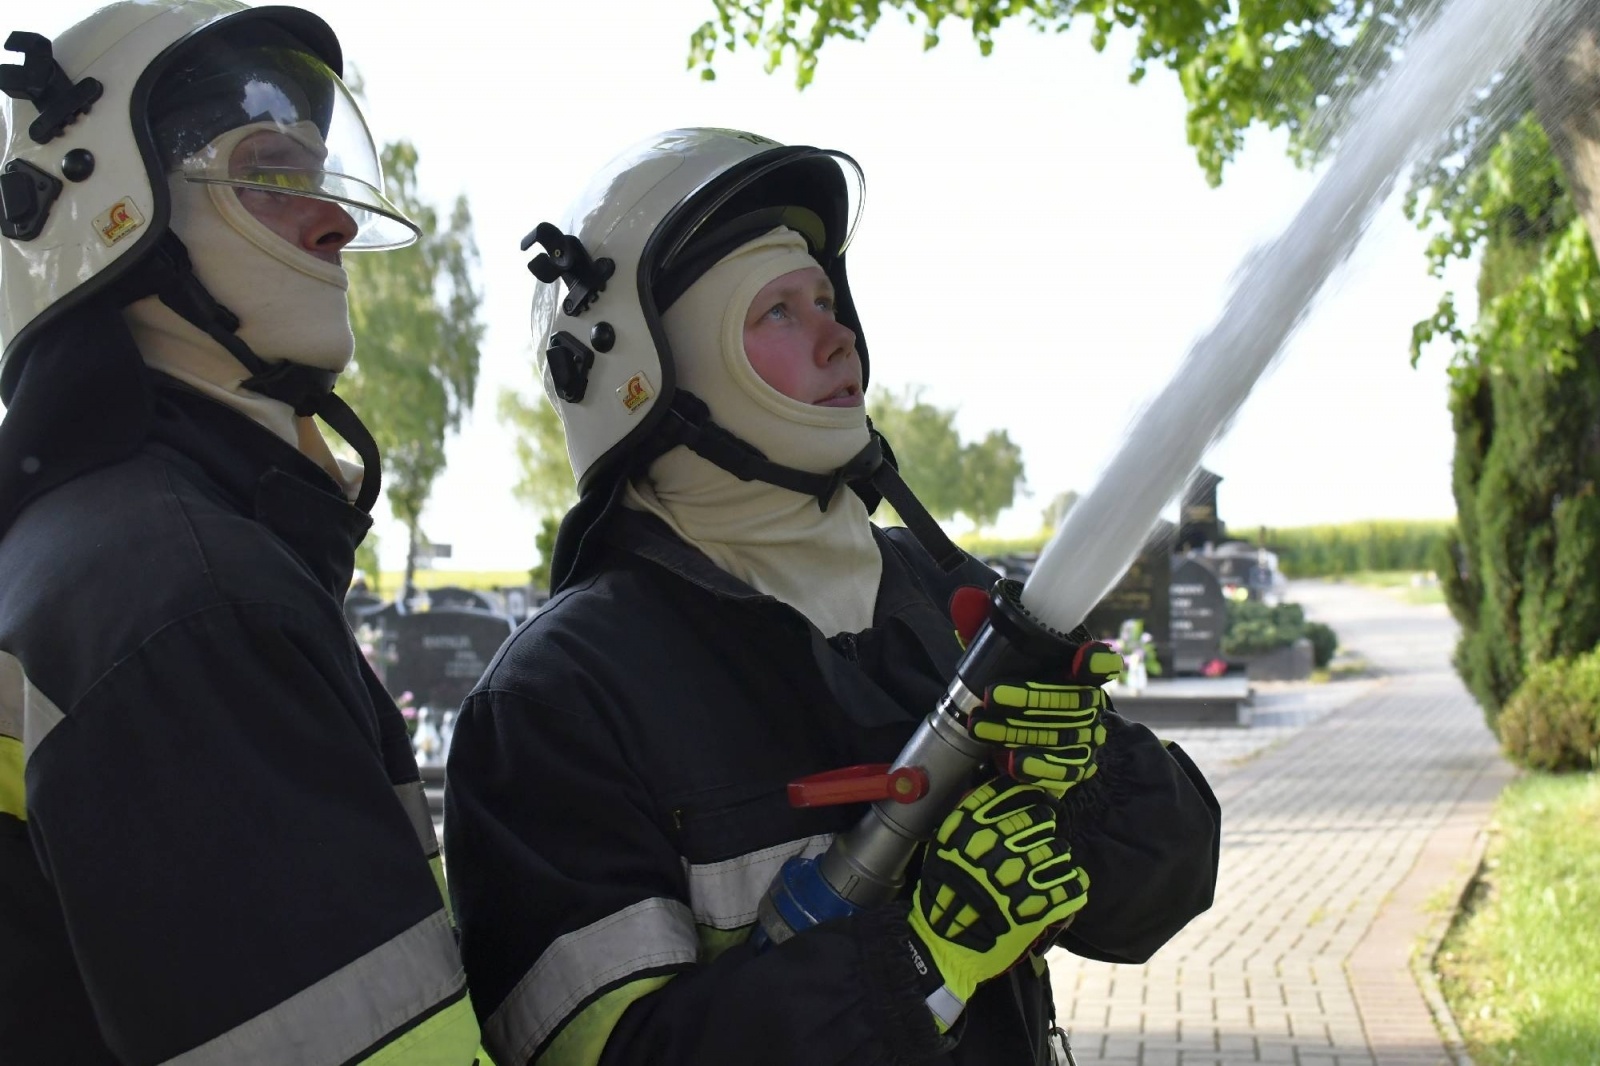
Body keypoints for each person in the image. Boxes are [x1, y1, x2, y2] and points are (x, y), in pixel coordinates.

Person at [445, 128, 1221, 1066]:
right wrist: (917, 963)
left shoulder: (944, 599)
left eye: (827, 297)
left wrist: (1088, 780)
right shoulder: (558, 701)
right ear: (641, 370)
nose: (837, 333)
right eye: (776, 311)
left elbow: (1162, 894)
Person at [0, 3, 482, 1062]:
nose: (335, 223)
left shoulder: (96, 547)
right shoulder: (188, 598)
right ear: (114, 214)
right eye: (270, 173)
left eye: (318, 176)